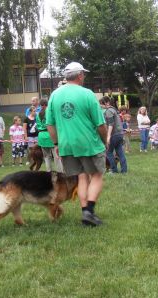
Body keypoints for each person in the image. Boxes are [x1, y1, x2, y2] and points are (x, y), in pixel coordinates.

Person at [46, 61, 107, 226]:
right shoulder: (87, 94)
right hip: (88, 144)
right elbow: (100, 125)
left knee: (81, 177)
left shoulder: (54, 95)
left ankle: (85, 213)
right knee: (96, 175)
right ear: (80, 75)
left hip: (67, 145)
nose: (84, 76)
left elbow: (49, 124)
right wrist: (104, 141)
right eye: (84, 74)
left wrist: (57, 143)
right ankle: (89, 211)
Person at [36, 99, 63, 172]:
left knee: (46, 156)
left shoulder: (37, 114)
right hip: (50, 134)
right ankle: (60, 172)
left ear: (40, 105)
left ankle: (49, 172)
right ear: (47, 105)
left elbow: (37, 126)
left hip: (41, 136)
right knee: (56, 156)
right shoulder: (50, 113)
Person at [102, 96, 127, 173]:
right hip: (120, 134)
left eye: (101, 104)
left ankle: (113, 170)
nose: (100, 106)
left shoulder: (109, 111)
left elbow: (111, 124)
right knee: (120, 153)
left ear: (106, 103)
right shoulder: (114, 110)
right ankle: (124, 170)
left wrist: (108, 136)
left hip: (114, 135)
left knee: (109, 152)